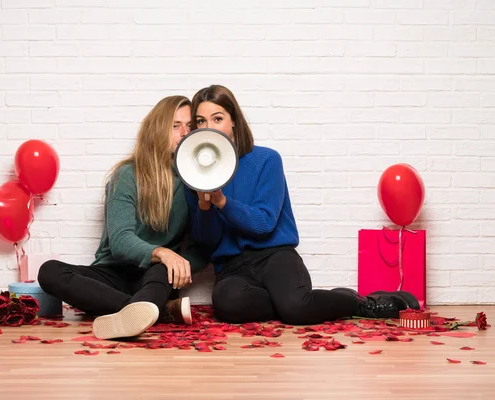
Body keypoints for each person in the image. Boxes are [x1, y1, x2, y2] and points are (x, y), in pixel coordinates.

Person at [185, 85, 420, 325]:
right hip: (232, 268)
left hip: (274, 256)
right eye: (201, 121)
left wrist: (221, 202)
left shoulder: (266, 160)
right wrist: (204, 207)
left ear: (233, 120)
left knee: (296, 308)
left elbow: (264, 223)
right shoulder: (194, 173)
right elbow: (207, 242)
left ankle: (363, 304)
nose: (209, 128)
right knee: (228, 306)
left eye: (217, 119)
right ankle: (294, 302)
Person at [38, 95, 210, 339]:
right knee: (49, 271)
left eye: (190, 126)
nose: (184, 132)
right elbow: (120, 242)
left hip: (155, 277)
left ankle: (139, 311)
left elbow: (200, 249)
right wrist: (163, 252)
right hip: (112, 275)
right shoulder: (127, 174)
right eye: (175, 125)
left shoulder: (196, 181)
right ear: (158, 129)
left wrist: (179, 263)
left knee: (162, 270)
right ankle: (157, 312)